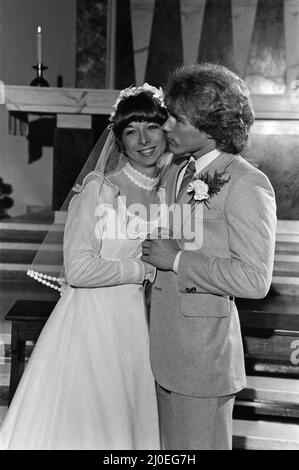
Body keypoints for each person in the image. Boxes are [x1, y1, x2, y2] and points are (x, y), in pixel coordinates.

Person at [0, 83, 172, 450]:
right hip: (93, 325)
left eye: (151, 127)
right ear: (119, 140)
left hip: (138, 328)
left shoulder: (166, 191)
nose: (144, 139)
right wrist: (140, 271)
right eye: (131, 130)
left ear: (166, 129)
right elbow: (78, 270)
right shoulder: (98, 190)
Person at [142, 63, 277, 450]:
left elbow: (255, 279)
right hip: (164, 349)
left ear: (209, 126)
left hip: (203, 359)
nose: (165, 126)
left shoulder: (247, 183)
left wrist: (180, 262)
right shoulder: (181, 171)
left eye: (176, 118)